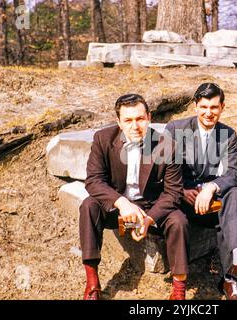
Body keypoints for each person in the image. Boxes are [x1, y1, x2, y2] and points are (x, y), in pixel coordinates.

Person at [79, 94, 189, 300]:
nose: (135, 126)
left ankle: (179, 289)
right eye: (128, 120)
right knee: (89, 205)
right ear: (119, 122)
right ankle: (92, 283)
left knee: (179, 220)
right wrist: (122, 203)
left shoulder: (167, 145)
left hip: (152, 207)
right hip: (119, 205)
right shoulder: (103, 139)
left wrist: (148, 219)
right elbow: (93, 180)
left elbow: (173, 192)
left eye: (140, 119)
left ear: (149, 117)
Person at [165, 83, 237, 300]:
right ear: (195, 106)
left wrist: (211, 187)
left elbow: (233, 174)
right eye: (204, 107)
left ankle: (235, 272)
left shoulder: (228, 134)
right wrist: (181, 190)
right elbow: (161, 170)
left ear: (222, 107)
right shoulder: (174, 129)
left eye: (214, 107)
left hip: (210, 200)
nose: (209, 113)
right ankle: (180, 287)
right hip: (182, 201)